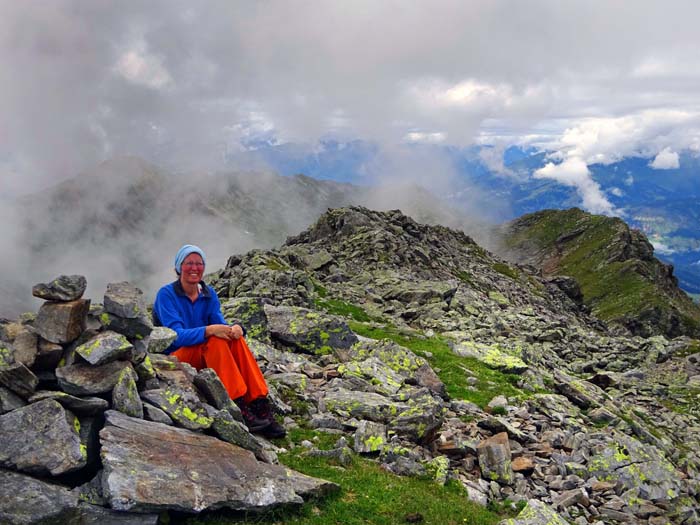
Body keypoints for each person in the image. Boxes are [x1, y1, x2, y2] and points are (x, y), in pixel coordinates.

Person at [152, 244, 285, 438]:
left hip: (204, 352)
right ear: (179, 267)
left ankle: (259, 403)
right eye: (188, 263)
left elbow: (220, 326)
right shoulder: (166, 295)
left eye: (199, 263)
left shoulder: (208, 293)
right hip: (176, 357)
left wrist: (236, 329)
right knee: (214, 340)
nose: (194, 268)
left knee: (234, 341)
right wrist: (209, 330)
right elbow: (176, 335)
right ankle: (237, 404)